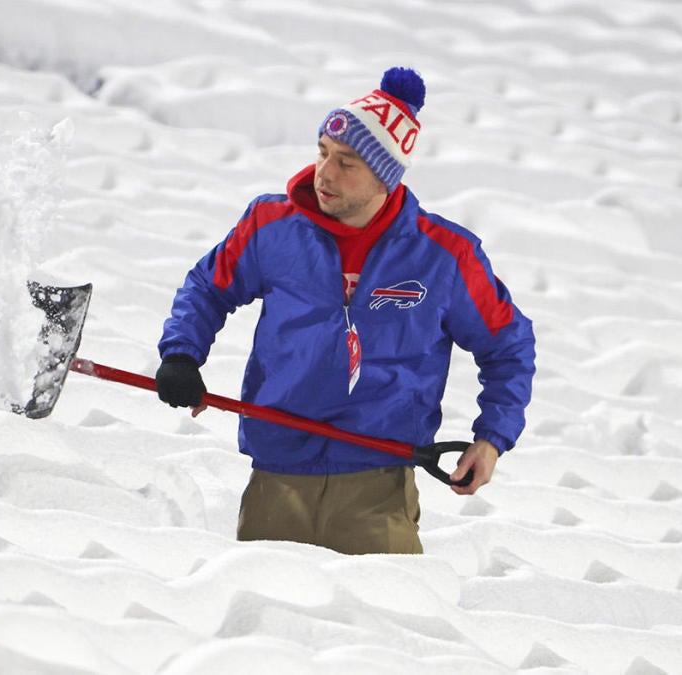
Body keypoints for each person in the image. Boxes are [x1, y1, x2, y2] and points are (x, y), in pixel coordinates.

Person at [155, 67, 535, 555]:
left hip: (379, 487)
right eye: (323, 153)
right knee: (266, 620)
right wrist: (182, 354)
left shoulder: (444, 257)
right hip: (278, 476)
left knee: (384, 624)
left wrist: (492, 437)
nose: (325, 173)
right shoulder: (272, 227)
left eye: (347, 162)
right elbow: (208, 287)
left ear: (385, 175)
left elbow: (507, 343)